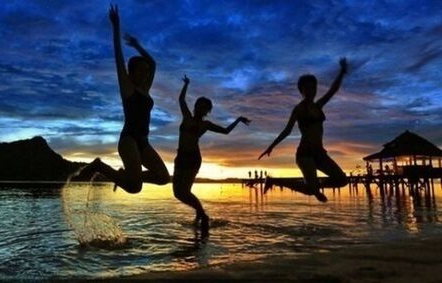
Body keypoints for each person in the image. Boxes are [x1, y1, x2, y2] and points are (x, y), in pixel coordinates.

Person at [71, 4, 170, 192]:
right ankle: (100, 166)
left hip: (144, 141)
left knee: (163, 177)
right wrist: (116, 27)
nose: (144, 74)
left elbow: (153, 63)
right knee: (135, 187)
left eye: (145, 71)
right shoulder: (127, 88)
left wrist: (137, 45)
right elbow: (118, 57)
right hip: (129, 140)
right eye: (140, 71)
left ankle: (124, 175)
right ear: (132, 73)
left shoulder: (145, 89)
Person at [259, 58, 349, 202]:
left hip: (319, 153)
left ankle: (314, 187)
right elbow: (287, 130)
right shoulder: (299, 109)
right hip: (305, 153)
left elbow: (333, 90)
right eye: (307, 88)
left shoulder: (318, 106)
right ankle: (277, 181)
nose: (311, 91)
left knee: (342, 180)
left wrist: (341, 72)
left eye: (313, 88)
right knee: (311, 190)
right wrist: (271, 146)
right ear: (301, 90)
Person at [173, 75, 250, 235]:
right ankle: (200, 213)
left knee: (185, 191)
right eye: (199, 106)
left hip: (193, 159)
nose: (201, 109)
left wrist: (237, 120)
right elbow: (181, 99)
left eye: (205, 107)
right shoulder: (186, 117)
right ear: (196, 107)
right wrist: (187, 84)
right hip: (180, 157)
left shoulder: (205, 124)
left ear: (207, 111)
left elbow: (226, 131)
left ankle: (202, 215)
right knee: (177, 192)